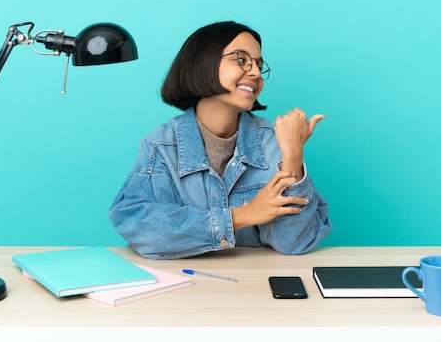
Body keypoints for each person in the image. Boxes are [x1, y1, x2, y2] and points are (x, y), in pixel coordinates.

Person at [109, 21, 332, 259]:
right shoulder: (161, 147)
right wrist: (243, 215)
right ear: (203, 63)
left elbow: (294, 243)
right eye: (241, 60)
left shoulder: (274, 142)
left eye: (258, 64)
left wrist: (293, 156)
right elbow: (140, 227)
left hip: (256, 286)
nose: (255, 72)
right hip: (184, 285)